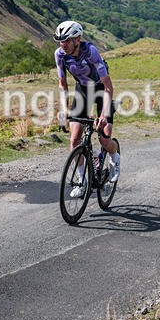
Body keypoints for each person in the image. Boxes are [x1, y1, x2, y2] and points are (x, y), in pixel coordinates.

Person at [53, 21, 120, 197]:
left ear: (78, 39)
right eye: (61, 41)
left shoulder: (91, 52)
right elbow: (63, 83)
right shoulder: (60, 55)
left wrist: (104, 114)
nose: (64, 45)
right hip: (83, 90)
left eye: (67, 41)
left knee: (105, 139)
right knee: (75, 140)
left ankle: (114, 158)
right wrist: (63, 109)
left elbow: (107, 86)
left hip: (101, 90)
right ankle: (82, 182)